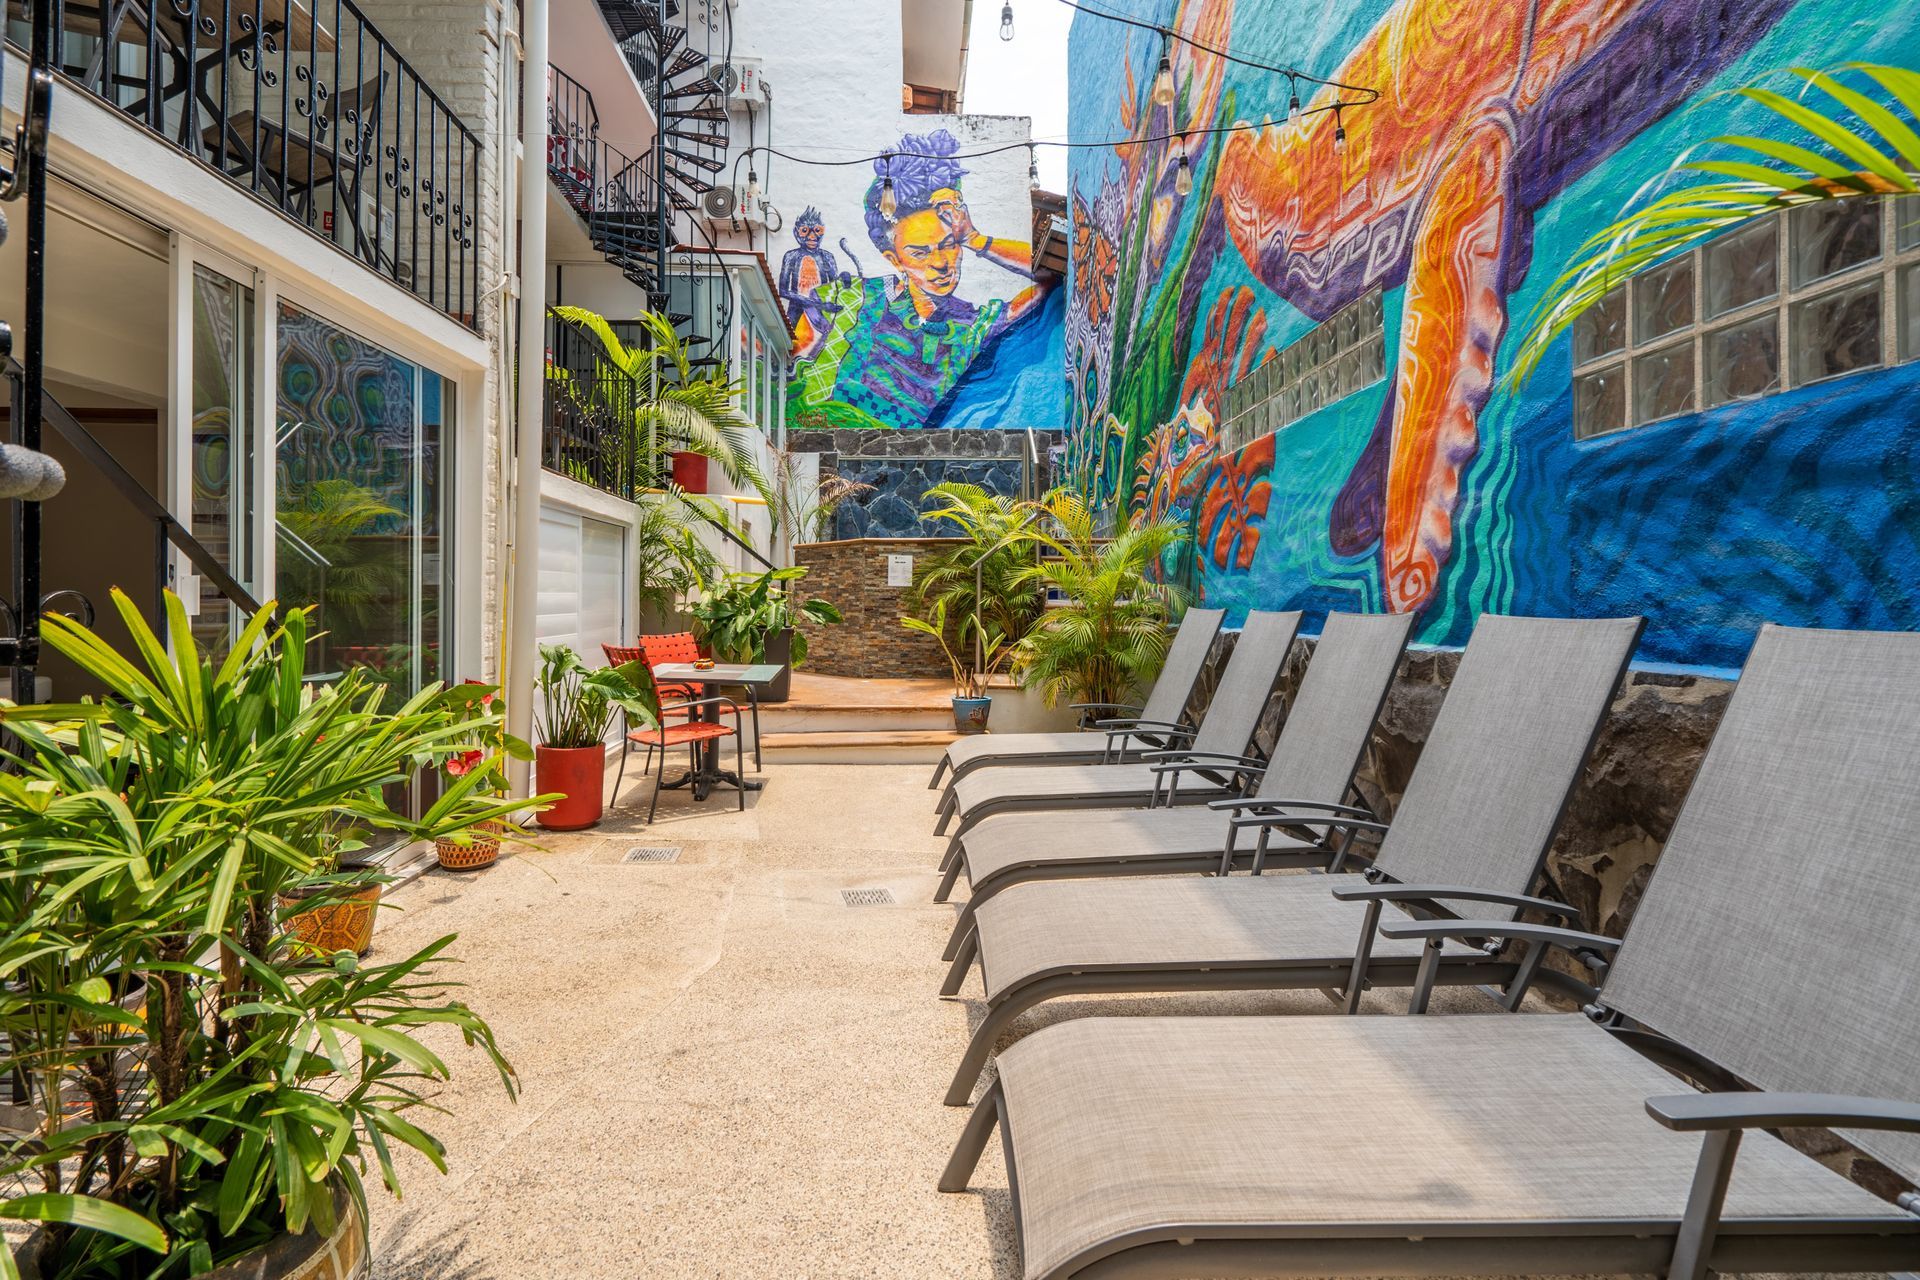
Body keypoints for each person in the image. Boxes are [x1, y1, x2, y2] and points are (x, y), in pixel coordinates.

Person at [807, 130, 1045, 428]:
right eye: (920, 253)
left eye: (949, 245)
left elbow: (1045, 279)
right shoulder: (850, 301)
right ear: (895, 260)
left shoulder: (975, 325)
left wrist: (975, 237)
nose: (940, 264)